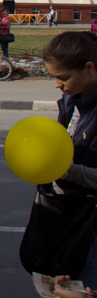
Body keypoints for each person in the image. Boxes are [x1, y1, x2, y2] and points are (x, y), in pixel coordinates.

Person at [41, 32, 97, 289]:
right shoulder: (72, 100)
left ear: (88, 68)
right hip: (68, 215)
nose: (57, 85)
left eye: (63, 77)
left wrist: (66, 171)